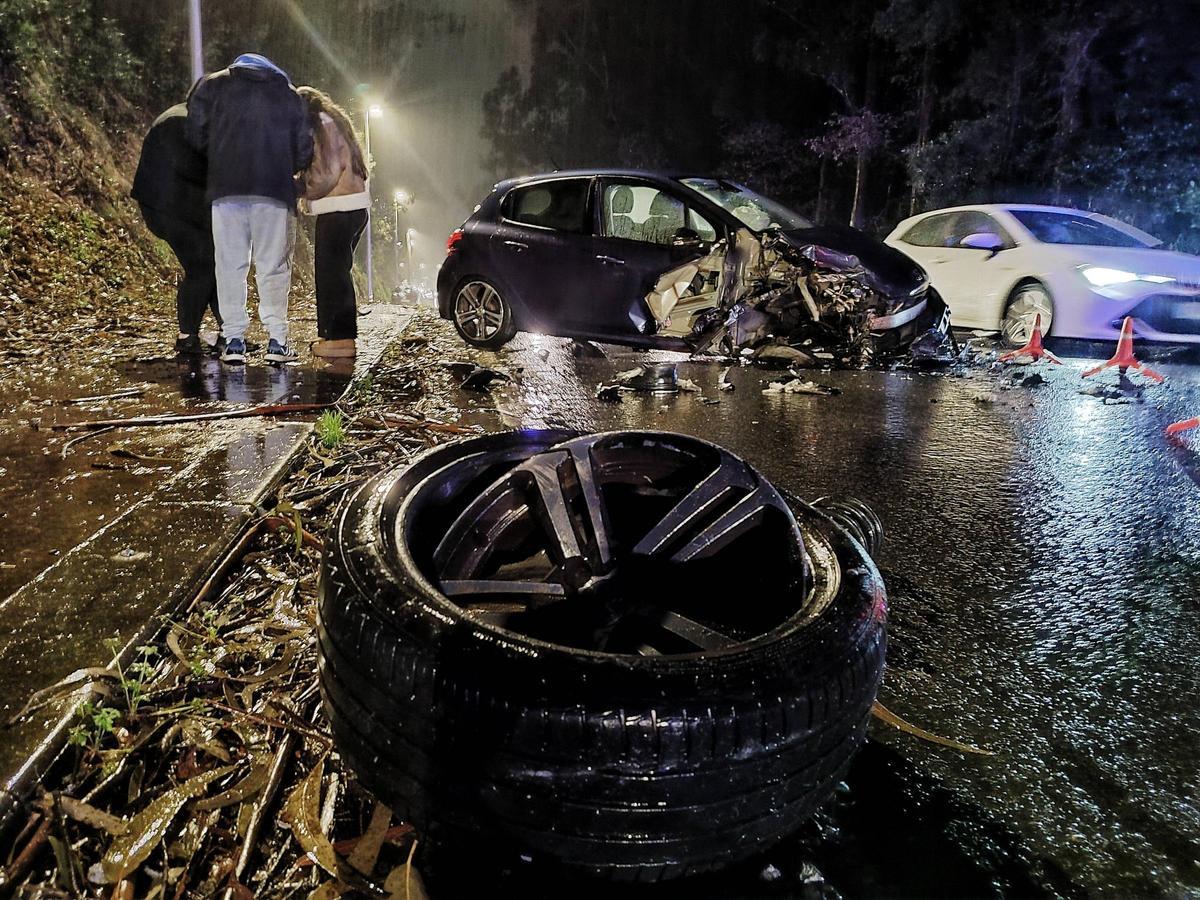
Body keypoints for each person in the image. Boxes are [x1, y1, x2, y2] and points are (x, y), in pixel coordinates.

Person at [185, 53, 313, 364]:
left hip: (226, 189)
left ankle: (233, 341)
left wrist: (220, 157)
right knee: (273, 267)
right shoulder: (289, 95)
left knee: (229, 265)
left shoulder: (211, 87)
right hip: (273, 190)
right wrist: (283, 164)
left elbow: (195, 134)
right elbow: (304, 149)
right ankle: (277, 341)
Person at [130, 103, 222, 355]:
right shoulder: (183, 123)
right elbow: (200, 171)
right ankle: (187, 336)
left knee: (212, 263)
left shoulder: (182, 117)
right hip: (172, 209)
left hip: (166, 206)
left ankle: (226, 331)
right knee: (203, 265)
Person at [296, 87, 370, 358]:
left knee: (332, 276)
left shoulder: (323, 125)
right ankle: (332, 335)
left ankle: (340, 340)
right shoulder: (335, 122)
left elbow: (327, 172)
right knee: (336, 273)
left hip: (337, 209)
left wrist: (300, 189)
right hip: (352, 208)